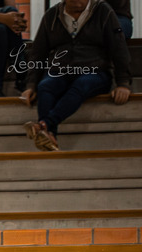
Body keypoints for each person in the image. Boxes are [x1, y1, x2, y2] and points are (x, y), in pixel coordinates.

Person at [20, 0, 132, 151]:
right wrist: (31, 85)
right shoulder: (51, 15)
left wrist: (123, 83)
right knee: (45, 86)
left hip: (94, 69)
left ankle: (43, 124)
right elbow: (37, 54)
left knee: (81, 85)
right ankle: (49, 134)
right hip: (60, 70)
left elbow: (118, 48)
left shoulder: (103, 11)